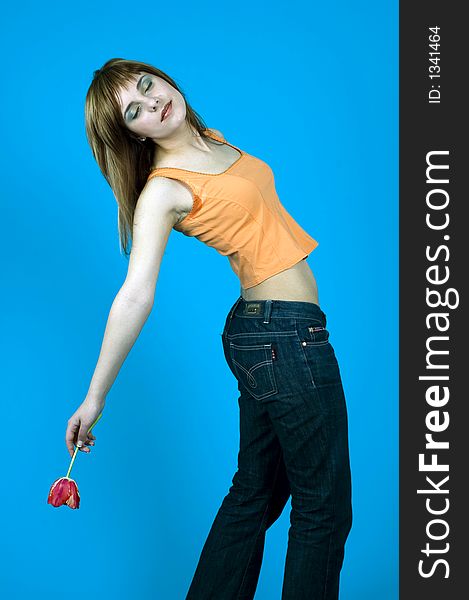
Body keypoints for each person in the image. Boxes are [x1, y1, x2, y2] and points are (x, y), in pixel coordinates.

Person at [65, 58, 353, 600]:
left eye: (148, 87)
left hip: (269, 335)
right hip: (281, 339)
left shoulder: (210, 139)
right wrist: (93, 397)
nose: (152, 104)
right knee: (324, 507)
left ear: (163, 78)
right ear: (131, 133)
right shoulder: (163, 190)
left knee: (256, 494)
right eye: (135, 110)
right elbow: (135, 295)